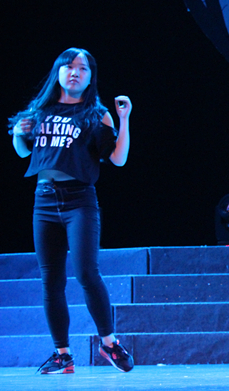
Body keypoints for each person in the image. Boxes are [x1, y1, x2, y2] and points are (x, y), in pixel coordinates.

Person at [9, 48, 135, 374]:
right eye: (69, 66)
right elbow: (23, 152)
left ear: (90, 77)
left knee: (86, 272)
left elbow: (118, 159)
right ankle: (62, 354)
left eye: (83, 68)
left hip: (79, 201)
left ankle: (109, 343)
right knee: (50, 280)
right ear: (58, 72)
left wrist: (124, 120)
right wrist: (19, 134)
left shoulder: (97, 115)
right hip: (44, 201)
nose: (75, 72)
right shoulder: (41, 111)